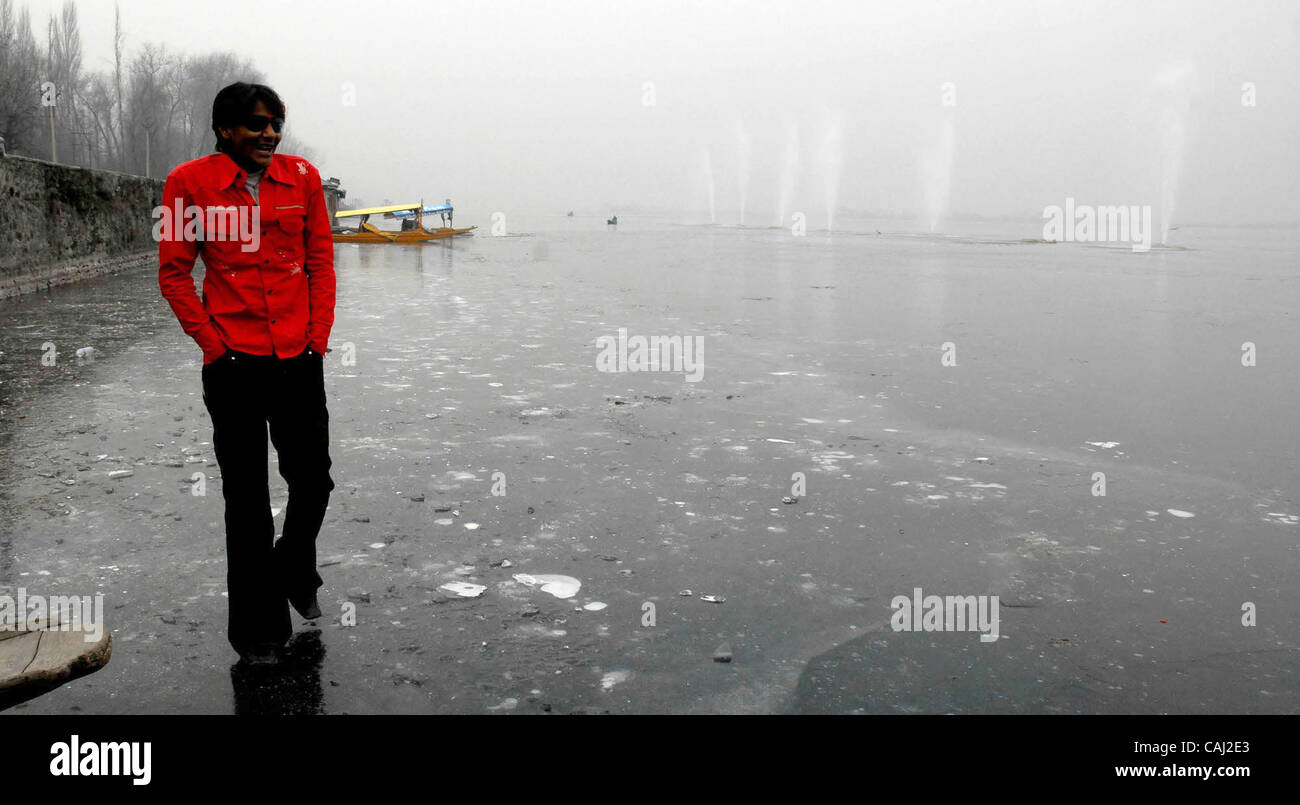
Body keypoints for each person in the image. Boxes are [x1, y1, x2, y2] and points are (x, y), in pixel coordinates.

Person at [158, 82, 337, 666]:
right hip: (232, 363)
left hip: (296, 359)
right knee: (247, 500)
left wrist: (317, 340)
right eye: (258, 124)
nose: (270, 134)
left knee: (314, 481)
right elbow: (175, 274)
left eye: (276, 124)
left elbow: (320, 264)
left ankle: (291, 568)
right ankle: (258, 632)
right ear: (225, 129)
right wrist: (213, 346)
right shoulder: (186, 185)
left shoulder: (304, 179)